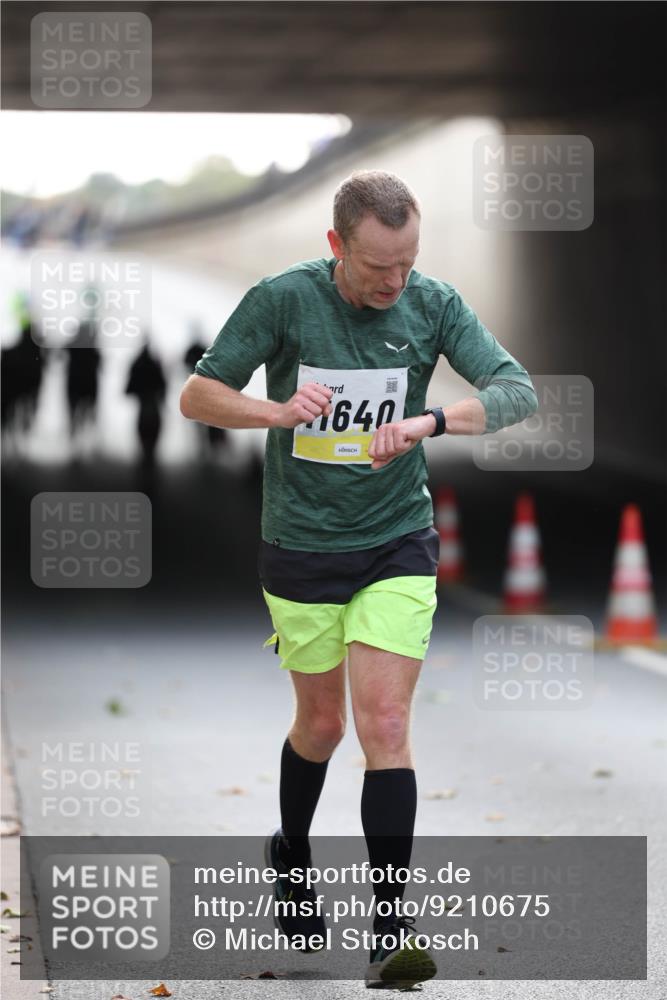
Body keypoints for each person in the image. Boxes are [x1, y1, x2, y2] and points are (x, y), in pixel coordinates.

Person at [179, 170, 538, 987]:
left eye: (408, 261)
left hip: (395, 542)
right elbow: (197, 396)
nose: (394, 281)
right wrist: (275, 413)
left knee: (383, 724)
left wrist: (429, 421)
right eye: (379, 265)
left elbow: (517, 392)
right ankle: (291, 852)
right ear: (336, 245)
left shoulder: (431, 303)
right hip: (302, 545)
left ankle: (388, 929)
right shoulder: (284, 300)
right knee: (322, 726)